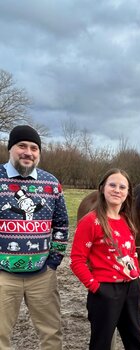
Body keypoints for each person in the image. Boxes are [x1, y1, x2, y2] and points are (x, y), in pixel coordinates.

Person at [0, 125, 69, 350]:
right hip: (3, 276)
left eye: (34, 148)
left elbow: (61, 224)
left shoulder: (51, 184)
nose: (28, 152)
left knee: (51, 334)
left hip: (42, 275)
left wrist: (53, 262)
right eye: (22, 146)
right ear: (10, 148)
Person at [70, 168, 140, 350]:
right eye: (112, 185)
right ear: (102, 188)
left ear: (128, 193)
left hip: (131, 288)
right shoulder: (91, 221)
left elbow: (132, 253)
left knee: (135, 341)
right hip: (105, 292)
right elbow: (76, 260)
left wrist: (137, 279)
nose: (117, 190)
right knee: (101, 344)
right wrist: (95, 287)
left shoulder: (127, 220)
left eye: (122, 187)